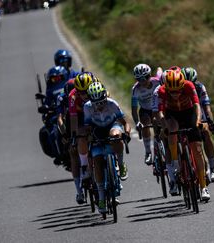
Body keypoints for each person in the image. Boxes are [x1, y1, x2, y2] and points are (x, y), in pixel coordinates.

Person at [157, 67, 210, 200]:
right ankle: (175, 163)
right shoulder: (162, 91)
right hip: (172, 115)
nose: (175, 94)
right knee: (172, 128)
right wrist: (165, 127)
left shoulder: (189, 85)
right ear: (167, 87)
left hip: (188, 113)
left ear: (182, 85)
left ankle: (203, 187)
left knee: (197, 150)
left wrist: (198, 121)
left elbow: (197, 105)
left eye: (178, 91)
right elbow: (160, 113)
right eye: (172, 92)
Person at [83, 82, 131, 213]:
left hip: (112, 126)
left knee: (115, 135)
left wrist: (126, 134)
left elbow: (125, 122)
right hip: (97, 130)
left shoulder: (112, 104)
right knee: (97, 161)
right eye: (96, 103)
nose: (99, 106)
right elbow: (87, 128)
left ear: (105, 98)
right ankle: (102, 198)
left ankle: (120, 164)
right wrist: (88, 137)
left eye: (102, 102)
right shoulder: (87, 107)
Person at [58, 72, 96, 204]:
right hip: (76, 117)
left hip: (92, 113)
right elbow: (70, 118)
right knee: (74, 151)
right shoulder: (71, 96)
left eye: (86, 91)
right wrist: (72, 136)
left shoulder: (96, 89)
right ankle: (79, 189)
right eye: (81, 92)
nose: (84, 94)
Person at [182, 67, 214, 182]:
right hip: (186, 116)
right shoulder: (179, 88)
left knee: (206, 133)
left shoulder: (200, 87)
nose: (190, 85)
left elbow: (206, 107)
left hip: (200, 115)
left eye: (192, 82)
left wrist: (210, 121)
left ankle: (213, 168)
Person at [131, 64, 163, 165]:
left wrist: (159, 69)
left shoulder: (157, 81)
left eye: (145, 78)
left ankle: (160, 142)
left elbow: (160, 71)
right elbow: (134, 109)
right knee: (145, 124)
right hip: (145, 110)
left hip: (157, 109)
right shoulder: (135, 89)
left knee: (159, 124)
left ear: (149, 75)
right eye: (139, 79)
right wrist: (137, 122)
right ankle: (148, 152)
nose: (142, 81)